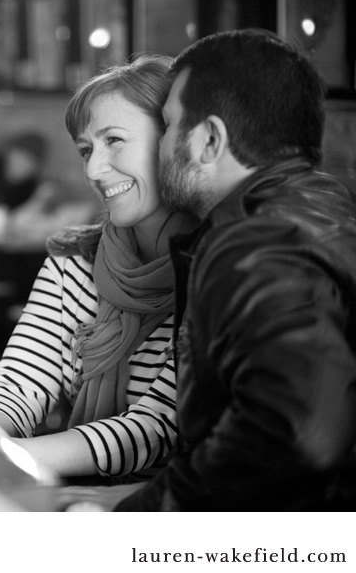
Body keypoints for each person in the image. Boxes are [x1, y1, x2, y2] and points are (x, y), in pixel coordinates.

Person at [99, 29, 356, 511]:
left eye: (170, 125)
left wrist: (134, 520)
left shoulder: (260, 243)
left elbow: (301, 430)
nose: (161, 146)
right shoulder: (321, 204)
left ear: (210, 139)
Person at [0, 55, 197, 481]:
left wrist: (10, 454)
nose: (93, 169)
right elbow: (21, 375)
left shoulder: (216, 269)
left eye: (114, 141)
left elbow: (158, 426)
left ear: (174, 141)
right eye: (87, 149)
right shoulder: (72, 263)